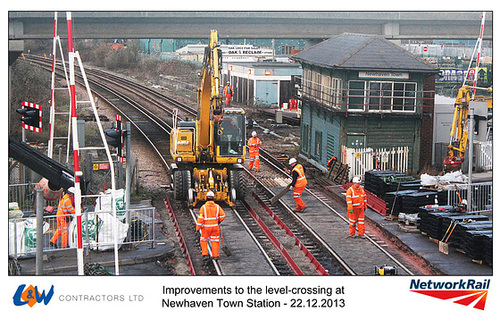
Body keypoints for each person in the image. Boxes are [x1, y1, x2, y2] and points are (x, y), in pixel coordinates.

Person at [196, 191, 226, 260]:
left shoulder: (203, 207)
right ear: (213, 198)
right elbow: (223, 215)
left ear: (206, 198)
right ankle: (215, 255)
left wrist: (198, 228)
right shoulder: (217, 207)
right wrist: (218, 221)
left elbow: (200, 219)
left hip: (206, 228)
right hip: (215, 227)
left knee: (204, 240)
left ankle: (205, 254)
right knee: (215, 241)